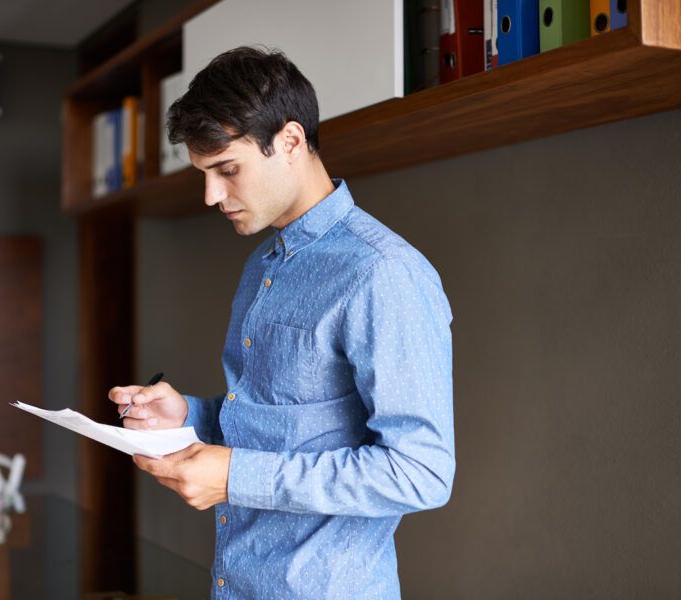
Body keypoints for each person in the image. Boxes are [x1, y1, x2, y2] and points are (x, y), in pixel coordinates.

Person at [109, 46, 455, 600]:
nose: (211, 196)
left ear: (290, 141)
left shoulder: (383, 273)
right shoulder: (262, 267)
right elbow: (281, 421)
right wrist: (190, 415)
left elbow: (420, 472)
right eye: (204, 174)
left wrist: (234, 478)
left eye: (226, 170)